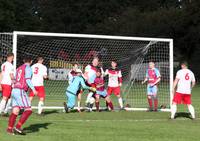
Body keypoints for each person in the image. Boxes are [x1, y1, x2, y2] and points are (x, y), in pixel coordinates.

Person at [7, 56, 37, 135]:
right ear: (31, 61)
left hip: (14, 90)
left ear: (24, 61)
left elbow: (14, 79)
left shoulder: (18, 68)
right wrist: (33, 89)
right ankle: (18, 127)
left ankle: (9, 129)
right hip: (20, 90)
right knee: (28, 109)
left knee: (15, 111)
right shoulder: (28, 68)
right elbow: (27, 79)